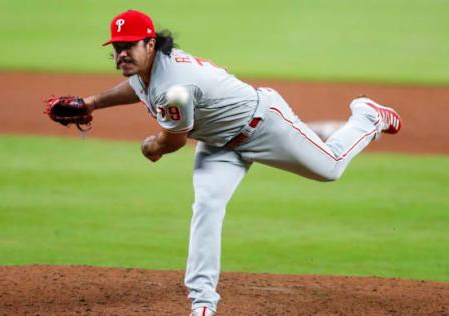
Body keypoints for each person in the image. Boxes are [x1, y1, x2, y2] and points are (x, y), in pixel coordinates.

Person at [80, 10, 401, 316]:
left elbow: (173, 140)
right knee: (206, 206)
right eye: (118, 47)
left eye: (129, 46)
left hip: (263, 125)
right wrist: (92, 103)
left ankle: (366, 117)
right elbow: (136, 88)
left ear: (149, 44)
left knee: (330, 168)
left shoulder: (174, 86)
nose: (122, 53)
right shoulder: (149, 68)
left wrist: (152, 146)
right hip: (219, 146)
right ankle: (203, 303)